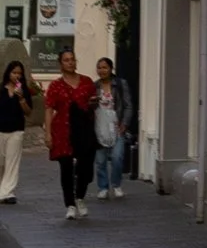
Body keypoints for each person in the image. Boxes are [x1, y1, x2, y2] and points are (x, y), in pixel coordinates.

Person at [43, 59, 94, 218]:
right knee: (66, 168)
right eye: (66, 60)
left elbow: (94, 103)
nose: (70, 63)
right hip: (63, 130)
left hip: (83, 130)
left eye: (72, 60)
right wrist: (48, 133)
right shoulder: (55, 86)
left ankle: (80, 196)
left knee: (85, 167)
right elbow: (49, 109)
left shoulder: (86, 82)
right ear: (60, 64)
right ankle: (70, 204)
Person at [91, 63, 128, 202]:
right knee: (100, 160)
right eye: (99, 68)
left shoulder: (119, 84)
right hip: (100, 125)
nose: (102, 70)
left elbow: (128, 104)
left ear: (111, 69)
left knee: (117, 156)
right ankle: (103, 187)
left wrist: (124, 123)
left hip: (116, 125)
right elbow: (90, 106)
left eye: (105, 67)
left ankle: (116, 184)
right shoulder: (94, 86)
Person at [0, 47, 31, 202]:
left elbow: (28, 112)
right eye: (14, 73)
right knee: (1, 161)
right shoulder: (1, 89)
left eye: (19, 73)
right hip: (0, 130)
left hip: (16, 130)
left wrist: (21, 98)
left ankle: (7, 193)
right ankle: (2, 189)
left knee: (12, 162)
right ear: (8, 73)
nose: (17, 76)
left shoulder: (23, 90)